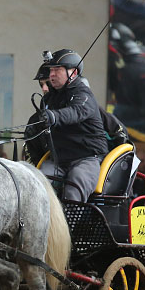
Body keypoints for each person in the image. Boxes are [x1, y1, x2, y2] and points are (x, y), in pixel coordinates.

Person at [37, 49, 108, 202]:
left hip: (87, 158)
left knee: (75, 185)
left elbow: (75, 112)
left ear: (73, 73)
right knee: (38, 184)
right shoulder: (48, 99)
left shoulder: (84, 95)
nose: (52, 74)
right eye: (51, 70)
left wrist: (54, 116)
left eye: (57, 70)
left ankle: (72, 224)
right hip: (59, 160)